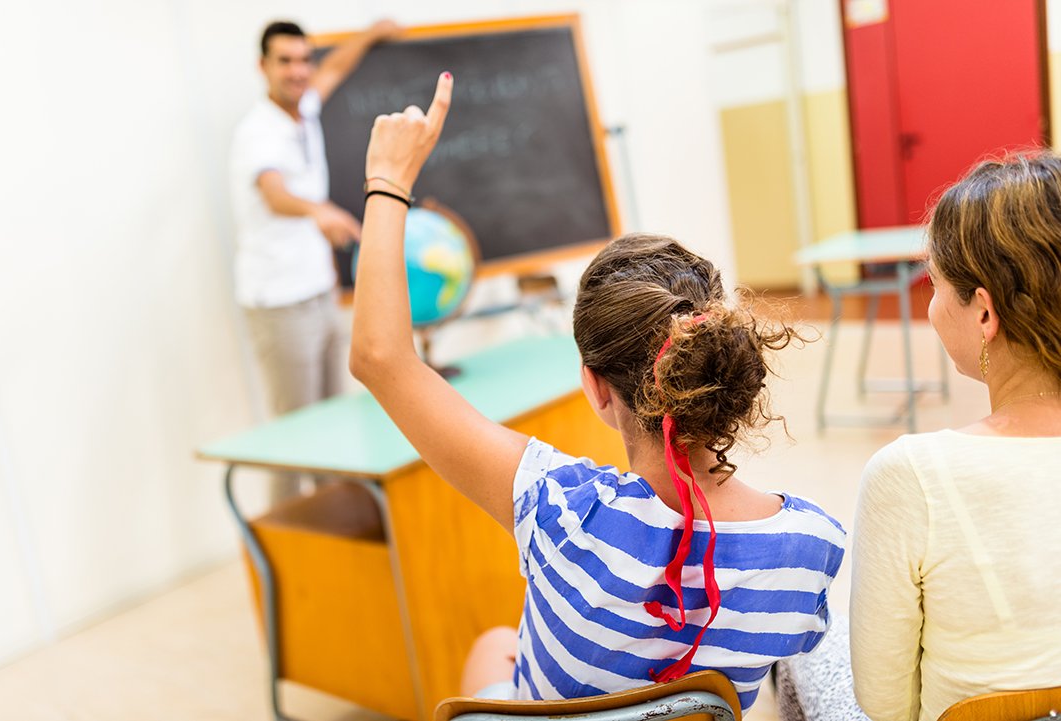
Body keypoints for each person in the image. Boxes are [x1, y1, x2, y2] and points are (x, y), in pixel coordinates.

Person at [348, 73, 845, 715]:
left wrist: (387, 178)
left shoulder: (559, 509)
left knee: (495, 643)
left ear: (594, 386)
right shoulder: (811, 547)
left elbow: (380, 357)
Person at [850, 153, 1061, 721]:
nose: (932, 306)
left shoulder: (911, 475)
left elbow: (886, 703)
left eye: (937, 285)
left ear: (984, 313)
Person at [230, 19, 399, 501]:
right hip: (279, 302)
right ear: (263, 67)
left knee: (332, 423)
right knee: (293, 432)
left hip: (319, 292)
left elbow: (336, 69)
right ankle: (284, 548)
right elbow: (274, 193)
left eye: (304, 59)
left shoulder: (303, 109)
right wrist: (317, 210)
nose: (298, 71)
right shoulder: (257, 133)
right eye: (285, 61)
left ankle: (335, 531)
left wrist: (372, 32)